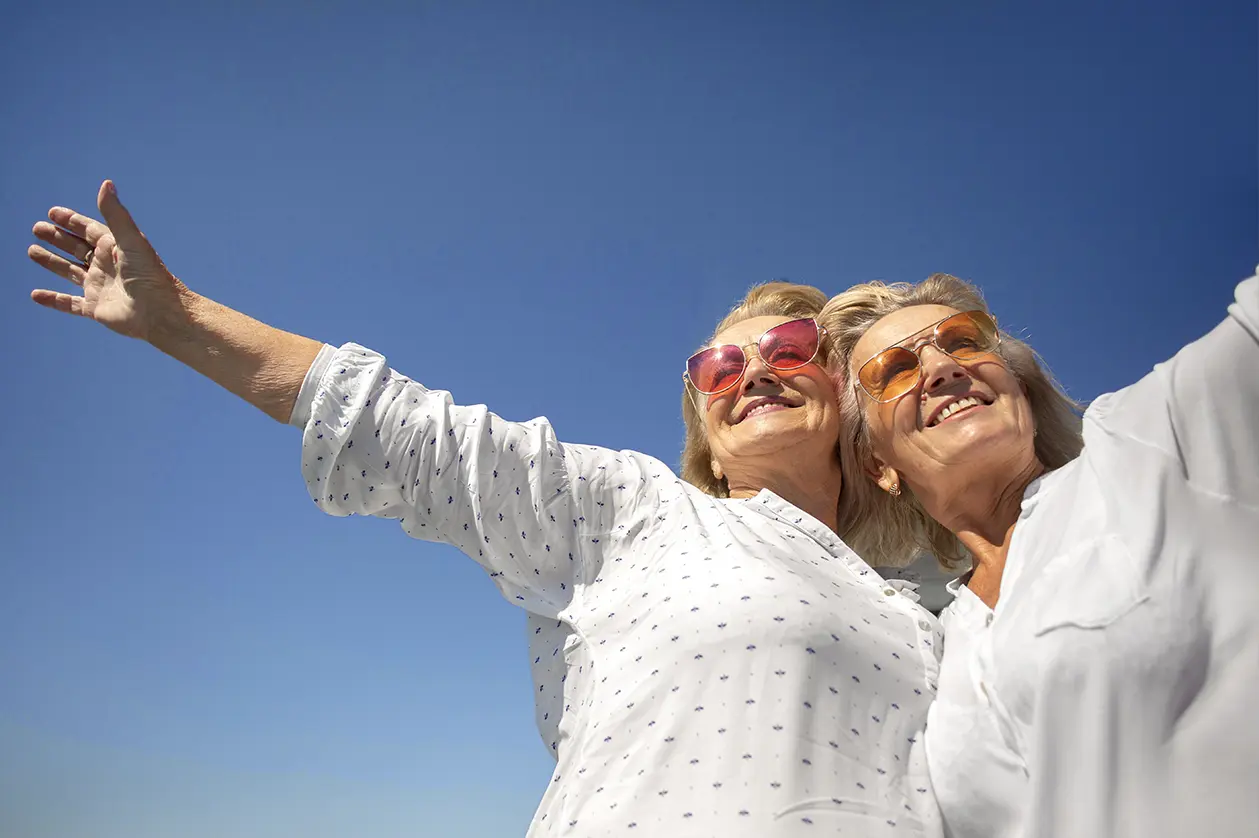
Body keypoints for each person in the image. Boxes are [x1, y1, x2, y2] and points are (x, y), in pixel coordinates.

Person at [27, 180, 947, 838]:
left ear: (840, 395)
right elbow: (414, 434)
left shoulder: (928, 614)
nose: (750, 369)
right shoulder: (637, 511)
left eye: (788, 348)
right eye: (717, 366)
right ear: (702, 428)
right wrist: (179, 317)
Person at [818, 271, 1259, 838]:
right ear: (879, 466)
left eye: (963, 341)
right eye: (897, 370)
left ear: (1018, 388)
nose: (941, 368)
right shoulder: (933, 643)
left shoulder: (1144, 449)